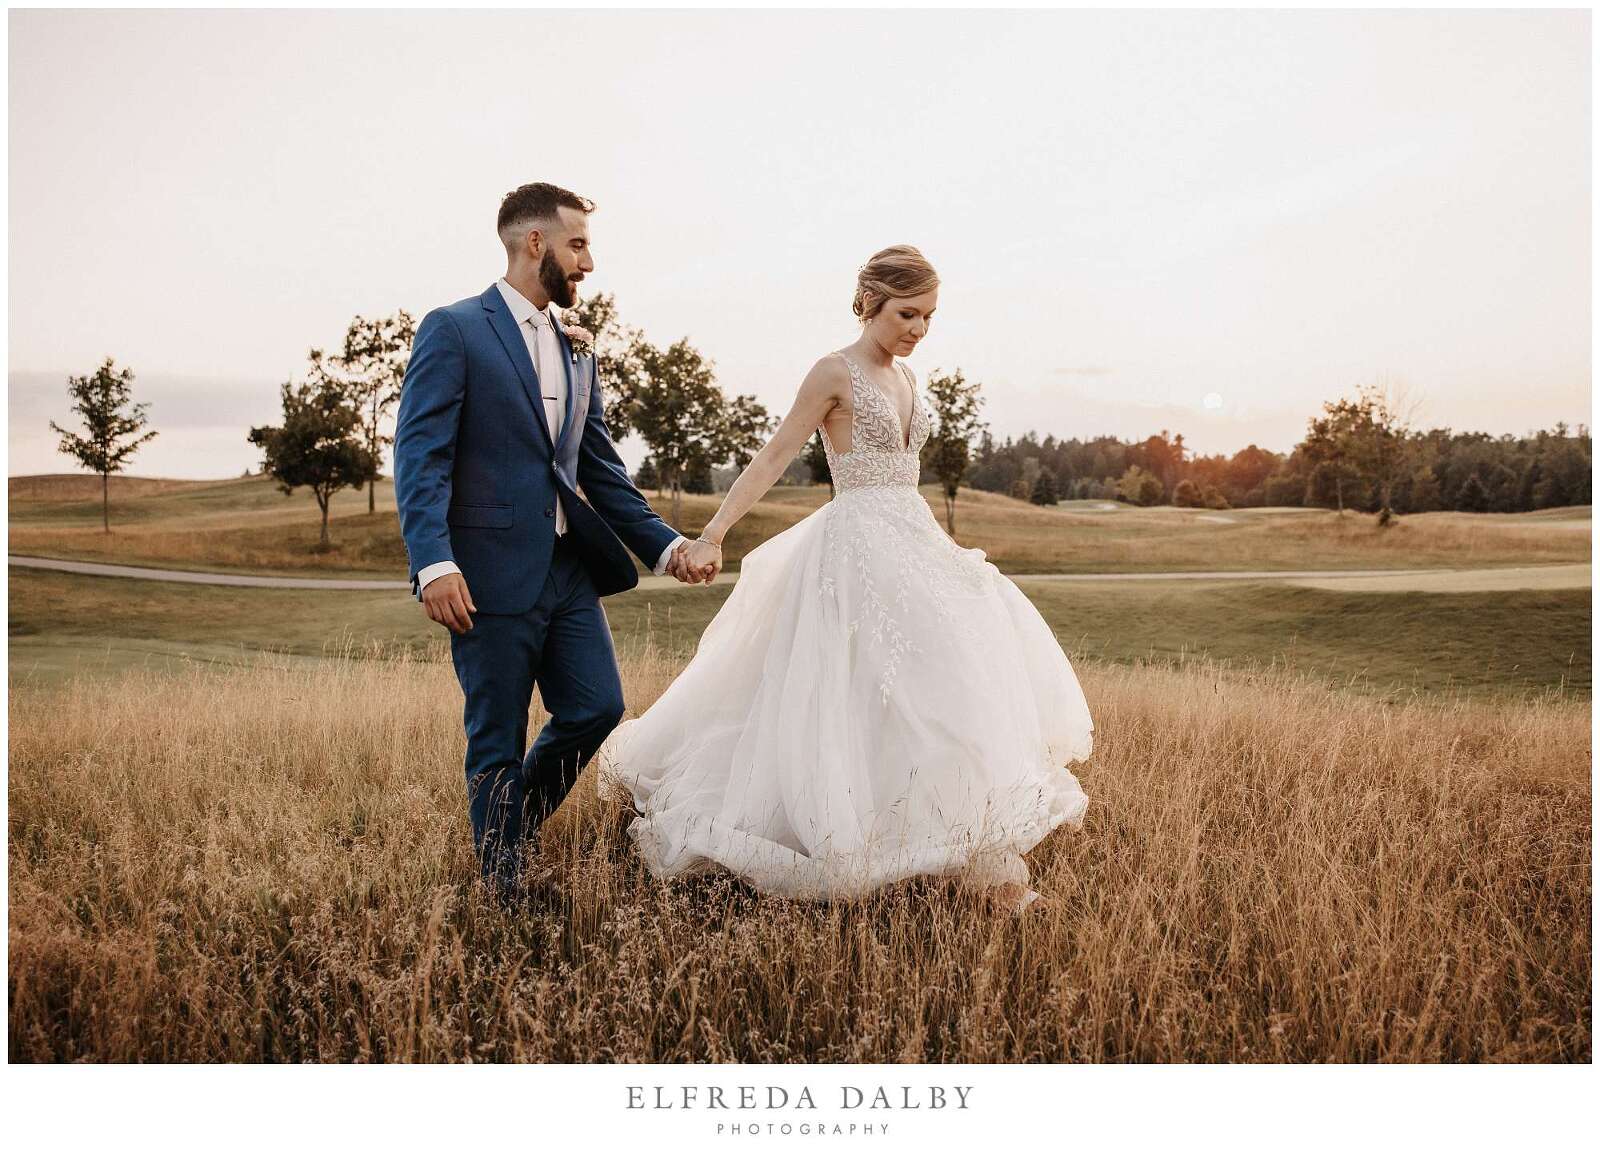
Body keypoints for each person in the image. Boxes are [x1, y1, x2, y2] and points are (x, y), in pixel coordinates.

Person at [596, 245, 1094, 915]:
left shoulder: (910, 380)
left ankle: (962, 849)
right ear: (870, 303)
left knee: (938, 686)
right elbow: (774, 454)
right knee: (850, 688)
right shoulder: (834, 372)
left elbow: (904, 475)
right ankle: (849, 832)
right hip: (854, 546)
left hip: (913, 537)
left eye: (929, 317)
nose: (917, 329)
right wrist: (714, 533)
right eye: (907, 314)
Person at [393, 182, 711, 899]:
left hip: (568, 570)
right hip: (485, 571)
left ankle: (506, 831)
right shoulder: (455, 329)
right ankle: (504, 887)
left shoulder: (577, 348)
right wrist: (433, 561)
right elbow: (420, 457)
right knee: (497, 737)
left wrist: (666, 547)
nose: (589, 263)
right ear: (534, 242)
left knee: (597, 706)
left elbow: (597, 465)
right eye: (578, 244)